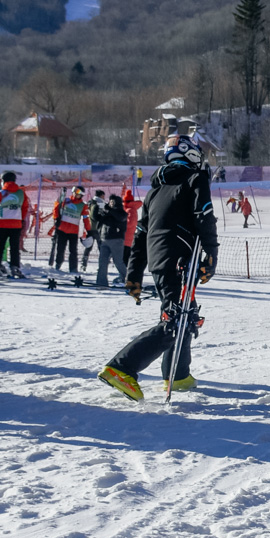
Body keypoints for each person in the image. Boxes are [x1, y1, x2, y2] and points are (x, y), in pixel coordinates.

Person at [99, 137, 219, 400]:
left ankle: (177, 374)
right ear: (191, 155)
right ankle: (122, 368)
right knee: (176, 320)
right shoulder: (195, 179)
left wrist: (133, 276)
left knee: (185, 314)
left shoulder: (154, 192)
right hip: (180, 258)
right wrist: (211, 252)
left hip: (160, 260)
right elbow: (204, 215)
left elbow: (140, 236)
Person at [0, 172, 29, 278]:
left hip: (1, 223)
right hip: (16, 223)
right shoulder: (21, 193)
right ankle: (15, 267)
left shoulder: (0, 193)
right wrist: (20, 219)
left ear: (3, 180)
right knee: (14, 247)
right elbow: (25, 207)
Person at [93, 191, 129, 287]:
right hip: (104, 239)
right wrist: (96, 208)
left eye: (113, 202)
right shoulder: (106, 212)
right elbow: (96, 218)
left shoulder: (121, 213)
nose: (110, 204)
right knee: (102, 262)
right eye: (110, 202)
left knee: (118, 262)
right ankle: (101, 283)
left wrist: (109, 210)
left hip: (116, 240)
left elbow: (120, 218)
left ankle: (129, 280)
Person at [49, 187, 84, 274]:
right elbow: (56, 207)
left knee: (73, 250)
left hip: (73, 231)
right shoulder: (66, 200)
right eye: (75, 191)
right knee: (60, 249)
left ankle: (73, 268)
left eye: (79, 192)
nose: (77, 194)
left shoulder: (83, 205)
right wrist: (56, 218)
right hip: (62, 229)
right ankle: (58, 263)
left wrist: (89, 230)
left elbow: (86, 218)